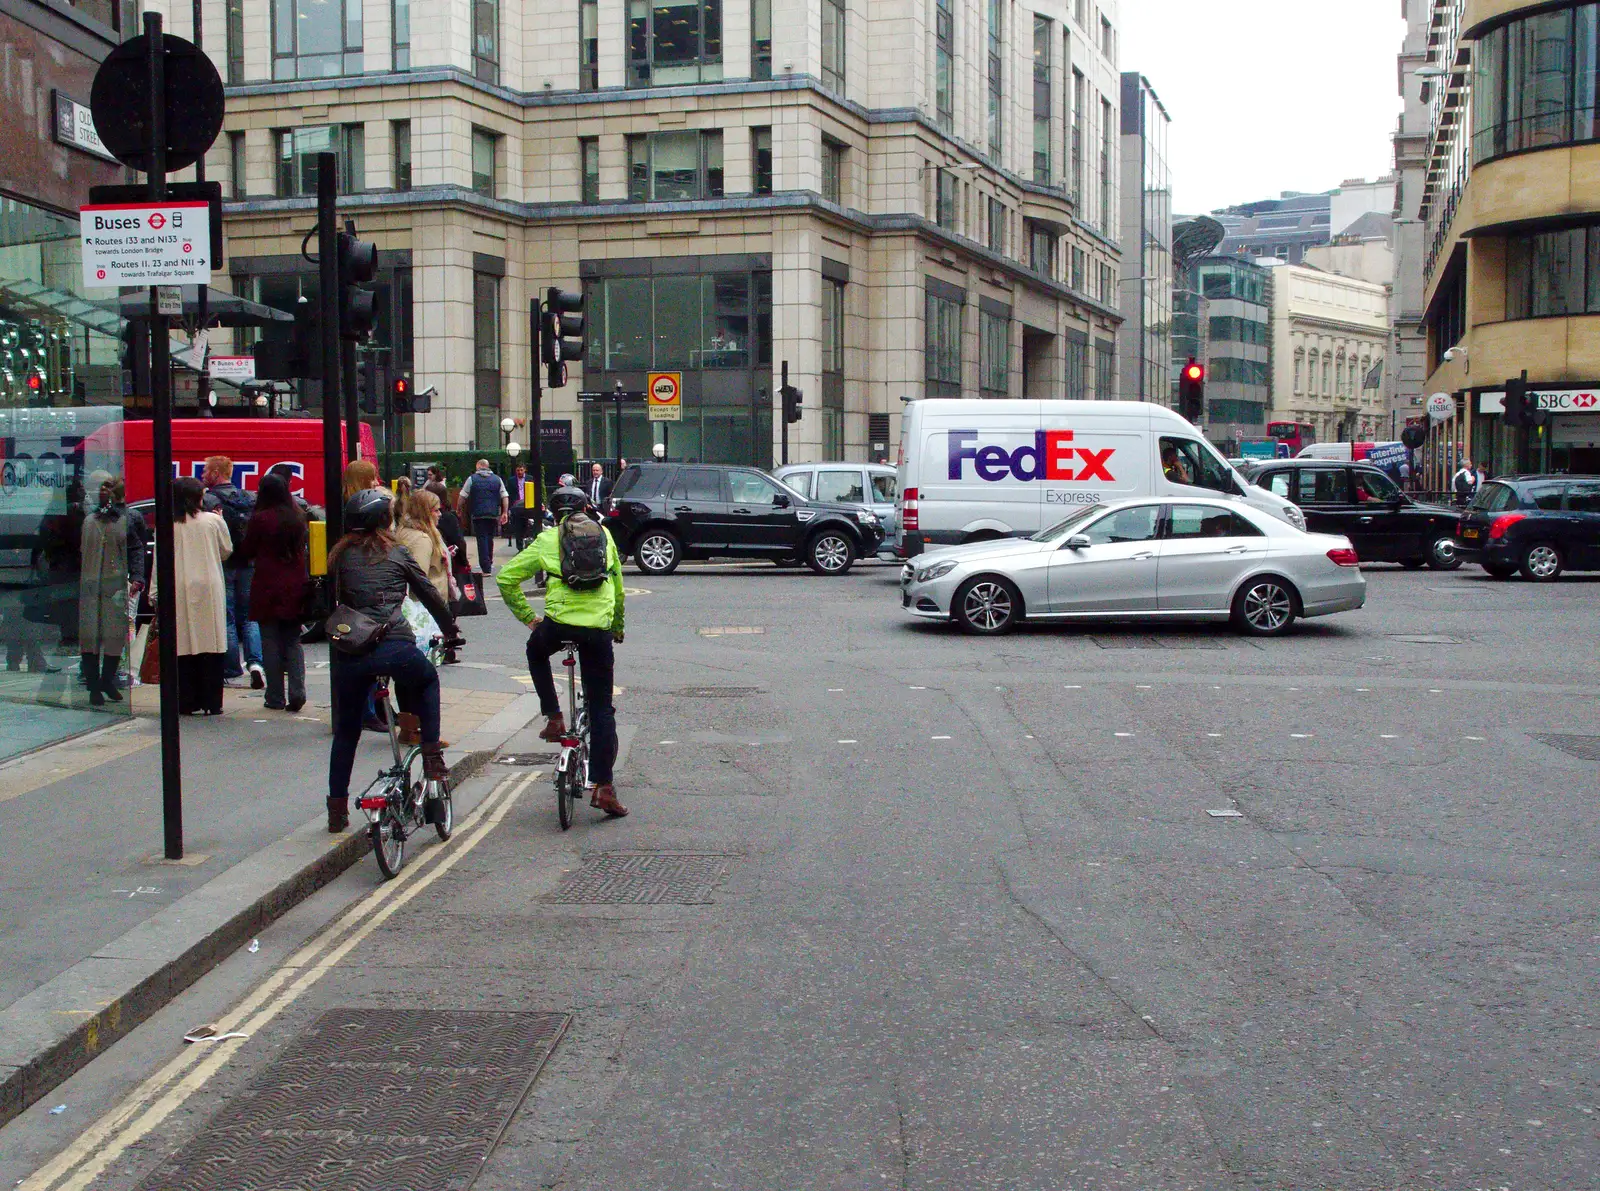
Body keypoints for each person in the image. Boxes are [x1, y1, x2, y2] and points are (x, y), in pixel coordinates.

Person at [326, 489, 460, 833]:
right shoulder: (397, 552)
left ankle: (337, 810)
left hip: (351, 652)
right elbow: (429, 594)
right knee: (427, 679)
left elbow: (324, 601)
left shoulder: (338, 556)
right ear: (383, 520)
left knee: (346, 732)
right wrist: (450, 630)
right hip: (393, 645)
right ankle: (431, 757)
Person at [497, 484, 628, 818]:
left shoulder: (545, 540)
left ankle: (554, 718)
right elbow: (618, 588)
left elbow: (506, 579)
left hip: (558, 624)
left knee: (536, 651)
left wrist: (530, 618)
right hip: (597, 629)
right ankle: (604, 787)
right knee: (602, 709)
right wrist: (616, 626)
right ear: (585, 508)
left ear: (554, 514)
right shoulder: (604, 536)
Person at [236, 474, 309, 713]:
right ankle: (297, 692)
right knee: (292, 641)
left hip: (267, 584)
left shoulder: (260, 519)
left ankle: (275, 695)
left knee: (270, 642)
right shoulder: (298, 516)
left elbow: (247, 549)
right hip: (295, 584)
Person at [77, 475, 145, 707]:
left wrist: (136, 576)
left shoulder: (123, 519)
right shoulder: (92, 520)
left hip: (107, 583)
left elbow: (136, 548)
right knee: (95, 636)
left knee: (108, 635)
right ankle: (98, 684)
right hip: (98, 583)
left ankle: (103, 682)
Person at [168, 477, 233, 716]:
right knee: (212, 643)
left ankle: (187, 700)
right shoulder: (213, 521)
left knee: (184, 644)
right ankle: (212, 701)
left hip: (179, 584)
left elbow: (160, 562)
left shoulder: (168, 524)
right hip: (209, 584)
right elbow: (226, 551)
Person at [201, 455, 264, 690]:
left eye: (206, 470)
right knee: (250, 616)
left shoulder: (209, 500)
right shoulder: (248, 498)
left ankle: (230, 668)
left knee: (226, 615)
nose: (203, 474)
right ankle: (256, 664)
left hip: (224, 562)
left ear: (216, 473)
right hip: (248, 562)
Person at [395, 488, 451, 602]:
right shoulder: (421, 539)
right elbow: (420, 582)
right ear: (424, 512)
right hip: (428, 606)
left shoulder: (404, 531)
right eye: (436, 510)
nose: (440, 514)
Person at [458, 459, 508, 573]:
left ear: (479, 466)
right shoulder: (497, 479)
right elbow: (504, 496)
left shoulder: (472, 479)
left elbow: (462, 495)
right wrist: (504, 512)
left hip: (478, 514)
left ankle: (485, 566)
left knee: (482, 539)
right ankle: (489, 561)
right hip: (493, 514)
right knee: (490, 538)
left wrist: (458, 509)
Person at [509, 464, 531, 550]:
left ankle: (527, 545)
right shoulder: (511, 481)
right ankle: (519, 548)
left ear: (525, 470)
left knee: (527, 526)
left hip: (528, 505)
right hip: (516, 506)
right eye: (518, 470)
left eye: (521, 470)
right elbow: (510, 494)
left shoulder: (530, 478)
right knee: (518, 528)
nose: (520, 472)